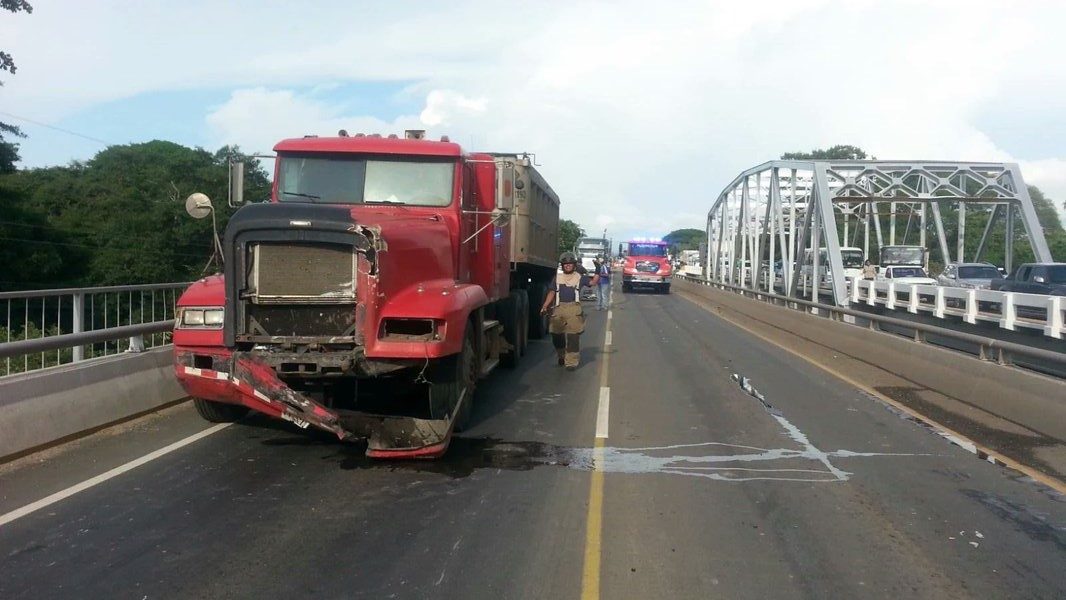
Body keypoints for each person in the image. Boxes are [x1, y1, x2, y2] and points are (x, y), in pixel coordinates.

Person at [540, 252, 599, 371]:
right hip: (559, 308)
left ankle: (571, 361)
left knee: (573, 337)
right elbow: (552, 292)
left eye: (570, 264)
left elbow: (593, 283)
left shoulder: (580, 277)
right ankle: (561, 355)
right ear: (562, 265)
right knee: (556, 334)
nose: (567, 266)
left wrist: (598, 269)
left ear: (574, 265)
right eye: (565, 264)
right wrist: (545, 306)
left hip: (574, 308)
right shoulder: (557, 278)